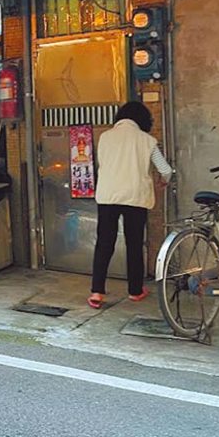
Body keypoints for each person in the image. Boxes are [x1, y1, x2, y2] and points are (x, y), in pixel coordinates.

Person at [88, 101, 173, 309]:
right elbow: (166, 169)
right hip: (135, 197)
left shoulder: (105, 137)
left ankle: (97, 292)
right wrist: (164, 181)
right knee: (134, 243)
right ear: (142, 120)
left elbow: (103, 163)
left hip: (108, 196)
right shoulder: (147, 140)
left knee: (104, 243)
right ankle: (135, 290)